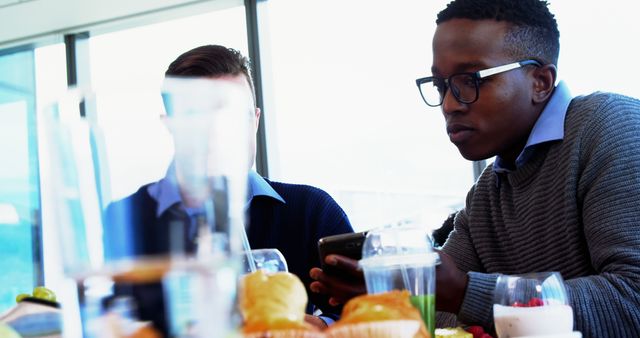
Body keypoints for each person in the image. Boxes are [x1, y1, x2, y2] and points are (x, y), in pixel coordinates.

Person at [309, 1, 640, 337]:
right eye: (441, 85)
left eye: (470, 80)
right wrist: (388, 302)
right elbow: (441, 313)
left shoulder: (612, 128)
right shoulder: (486, 195)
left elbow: (633, 301)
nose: (450, 104)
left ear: (540, 81)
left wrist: (464, 292)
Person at [106, 45, 354, 333]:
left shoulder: (311, 210)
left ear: (256, 120)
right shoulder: (123, 219)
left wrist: (324, 327)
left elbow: (363, 311)